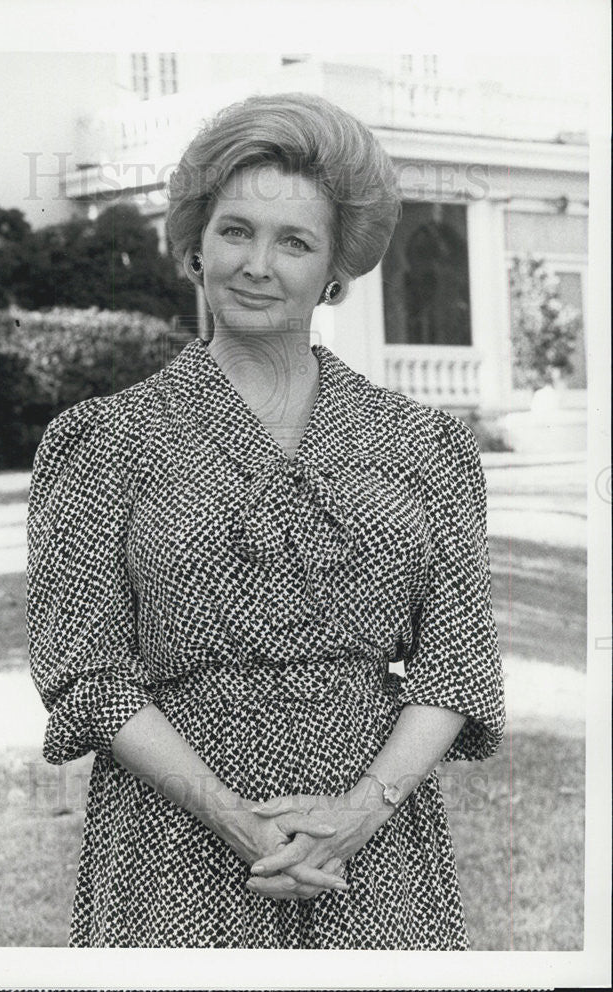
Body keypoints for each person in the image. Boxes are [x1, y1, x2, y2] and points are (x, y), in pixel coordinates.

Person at [26, 92, 505, 949]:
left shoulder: (423, 444)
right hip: (172, 842)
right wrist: (229, 813)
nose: (258, 264)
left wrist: (357, 814)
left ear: (335, 274)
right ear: (195, 251)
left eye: (294, 242)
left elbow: (457, 665)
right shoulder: (103, 441)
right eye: (236, 231)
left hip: (374, 841)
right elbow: (86, 669)